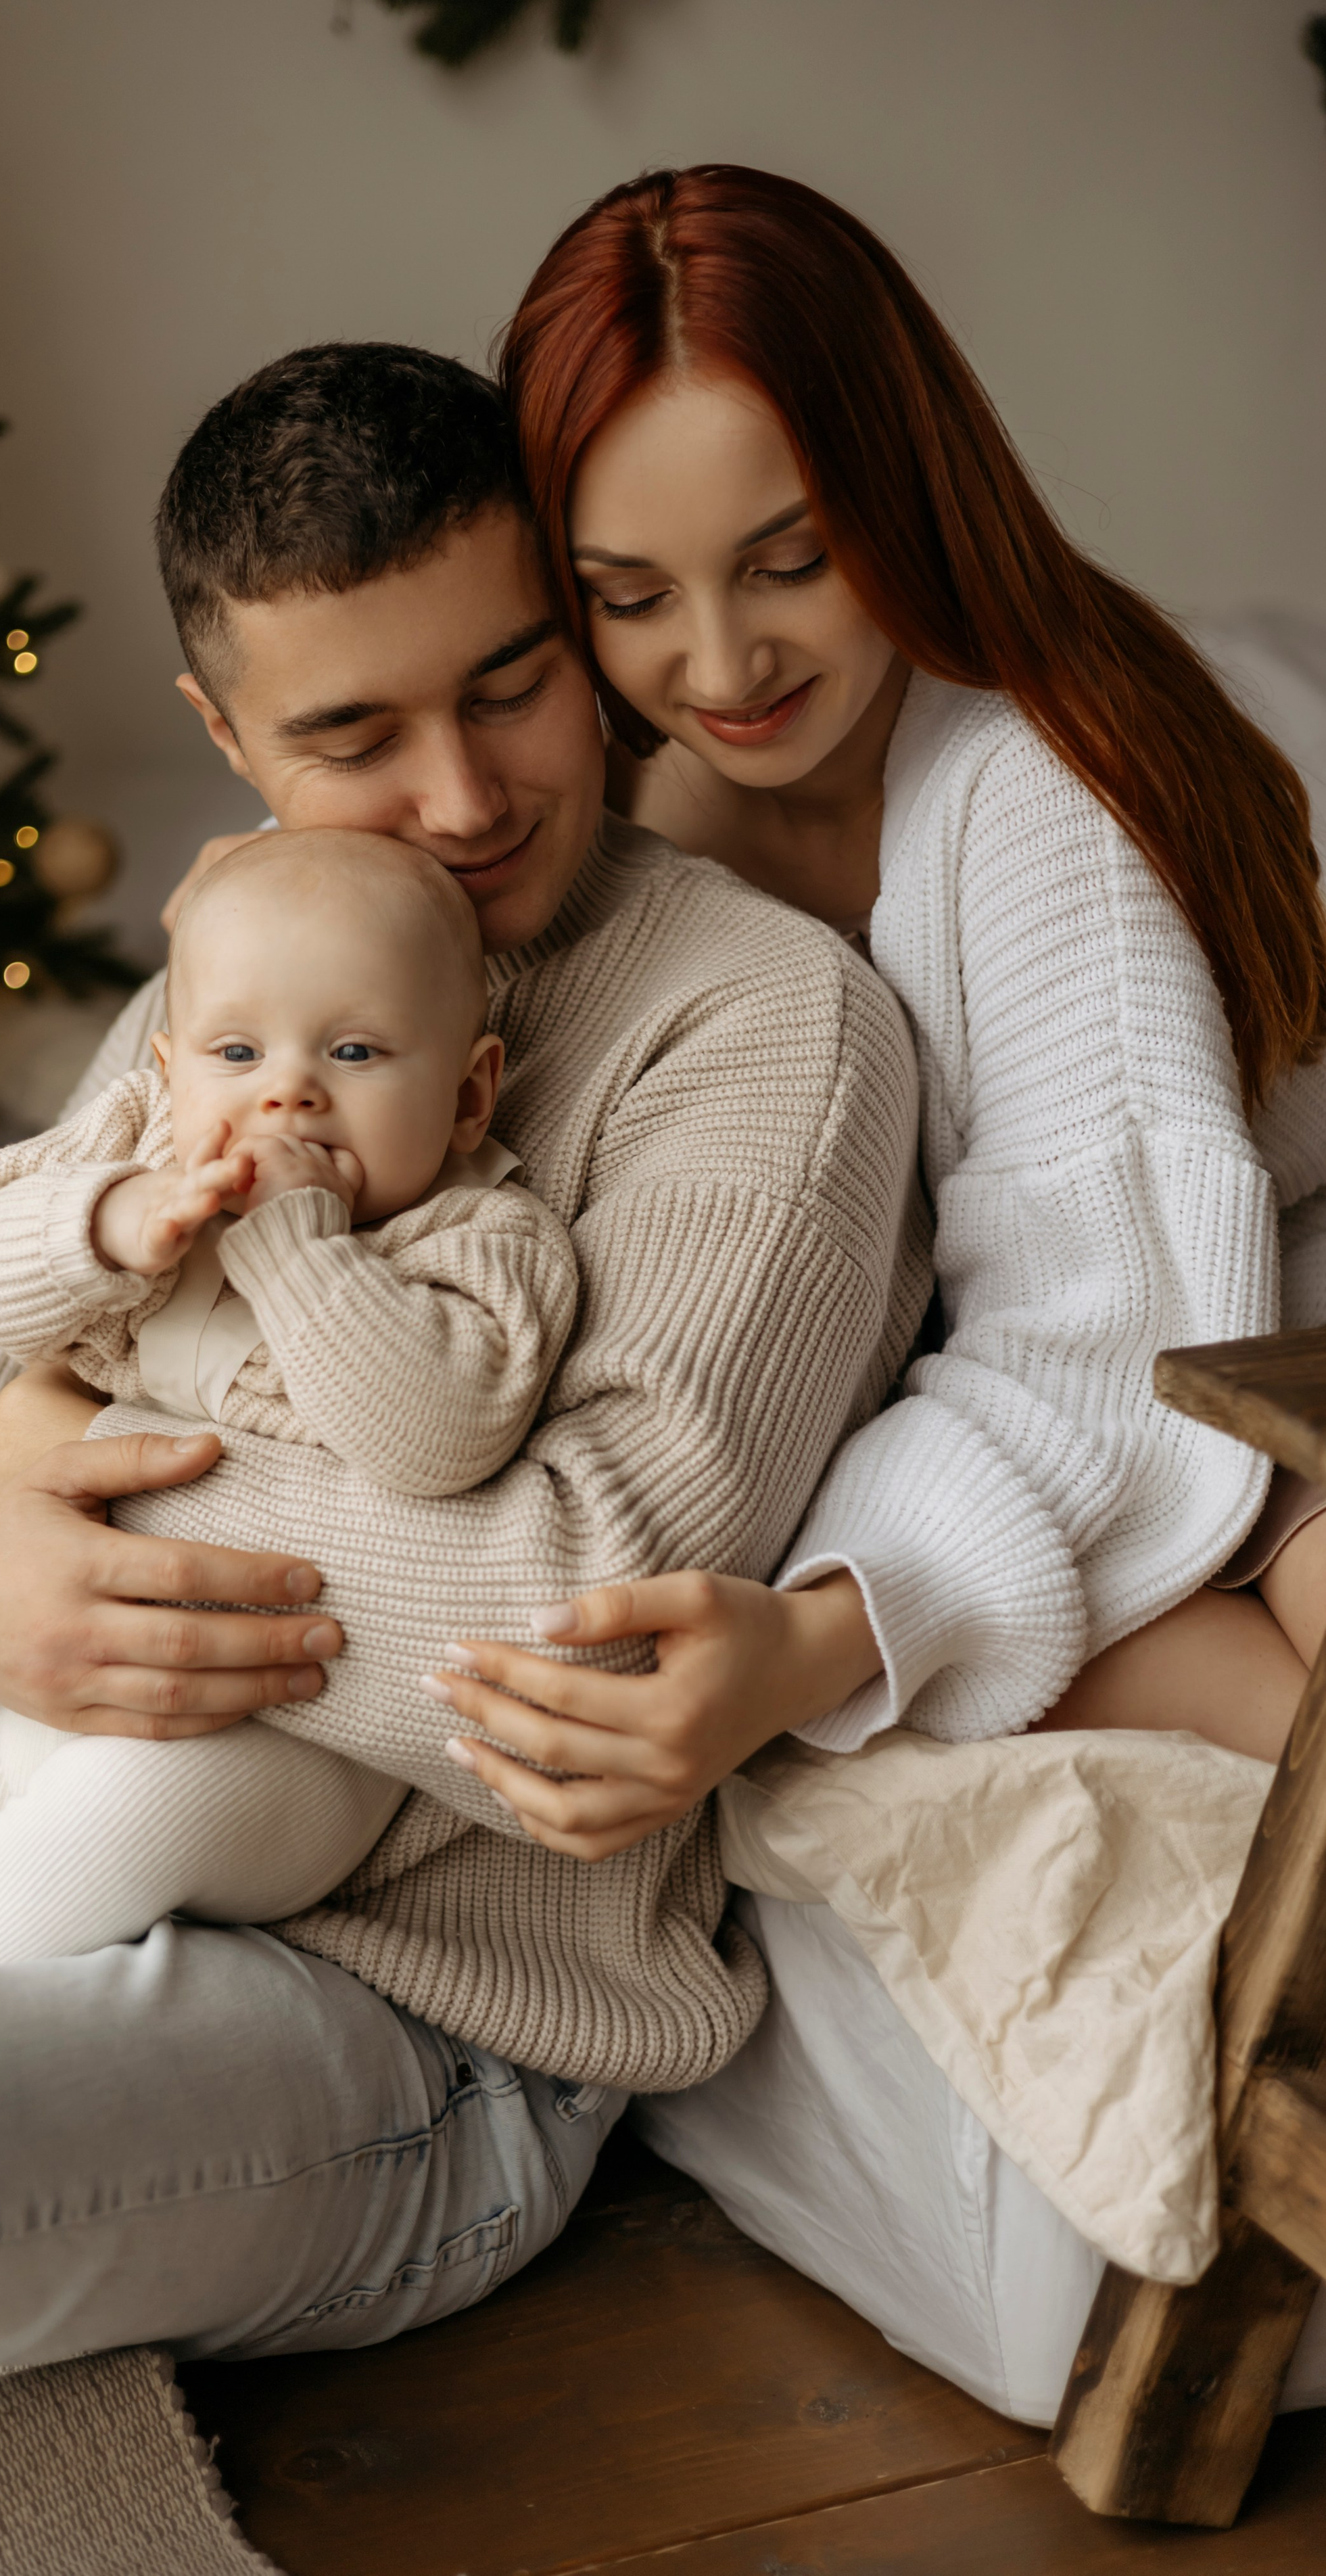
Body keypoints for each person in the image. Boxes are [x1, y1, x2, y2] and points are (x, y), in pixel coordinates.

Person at [0, 339, 922, 2404]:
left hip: (409, 2005)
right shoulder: (247, 978)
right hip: (9, 1778)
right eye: (355, 731)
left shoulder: (760, 1025)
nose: (465, 799)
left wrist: (77, 1460)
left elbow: (572, 1613)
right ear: (228, 738)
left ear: (578, 638)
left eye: (508, 684)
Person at [409, 164, 1326, 2418]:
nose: (721, 667)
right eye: (628, 598)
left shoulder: (1033, 790)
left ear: (906, 490)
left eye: (792, 561)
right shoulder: (619, 852)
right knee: (1094, 1651)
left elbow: (1111, 1343)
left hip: (1253, 1336)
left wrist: (824, 1631)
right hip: (1085, 1406)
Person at [0, 828, 577, 1980]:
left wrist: (298, 1245)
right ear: (170, 1065)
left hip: (295, 1739)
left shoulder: (478, 1240)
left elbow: (437, 1435)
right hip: (82, 1650)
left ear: (471, 1094)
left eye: (356, 1050)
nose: (287, 1090)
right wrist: (104, 1223)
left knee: (131, 1802)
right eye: (236, 1050)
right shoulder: (138, 1147)